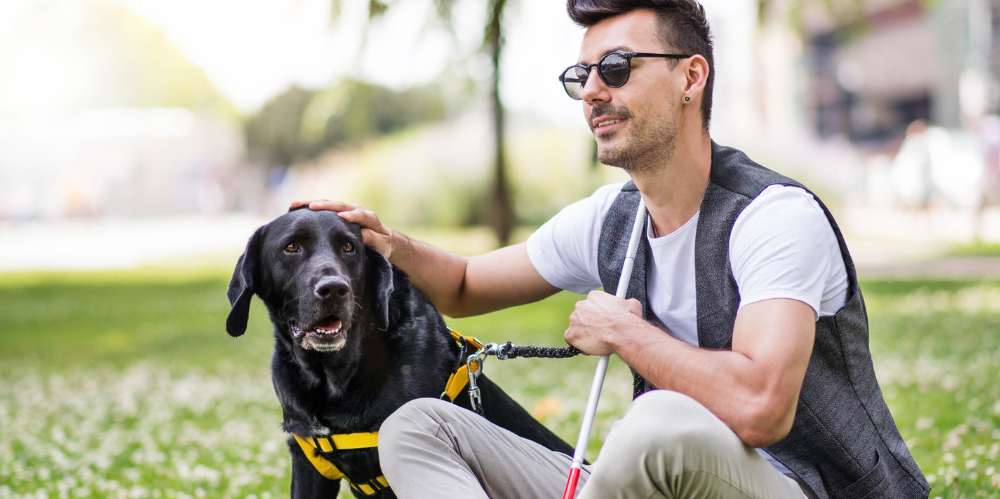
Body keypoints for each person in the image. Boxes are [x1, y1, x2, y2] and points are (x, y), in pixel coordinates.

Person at [293, 1, 930, 497]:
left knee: (655, 426)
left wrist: (629, 335)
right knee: (417, 428)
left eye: (618, 68)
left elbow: (762, 407)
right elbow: (462, 287)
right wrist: (388, 243)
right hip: (664, 482)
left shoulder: (773, 218)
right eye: (582, 75)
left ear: (691, 77)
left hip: (804, 488)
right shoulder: (612, 219)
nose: (594, 90)